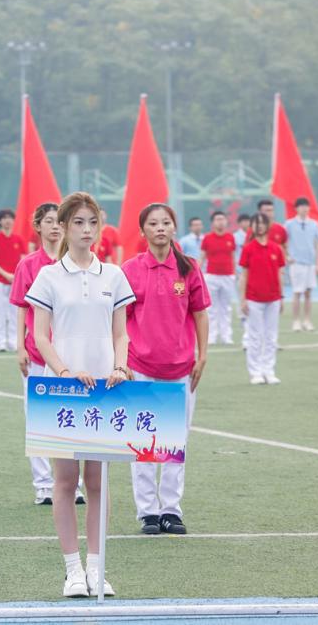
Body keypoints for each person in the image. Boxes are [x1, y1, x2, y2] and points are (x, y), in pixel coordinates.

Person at [26, 191, 135, 599]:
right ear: (63, 227)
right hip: (63, 389)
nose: (87, 230)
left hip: (107, 389)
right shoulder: (48, 277)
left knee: (98, 481)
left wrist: (120, 367)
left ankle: (97, 568)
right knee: (65, 481)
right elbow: (40, 335)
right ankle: (72, 570)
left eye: (92, 222)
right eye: (78, 222)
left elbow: (121, 333)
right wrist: (65, 372)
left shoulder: (114, 275)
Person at [122, 203, 209, 536]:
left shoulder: (189, 267)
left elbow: (200, 313)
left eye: (166, 223)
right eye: (153, 223)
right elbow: (119, 319)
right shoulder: (130, 269)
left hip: (181, 367)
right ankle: (148, 512)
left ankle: (171, 510)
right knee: (143, 440)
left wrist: (203, 355)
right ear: (142, 230)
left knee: (174, 443)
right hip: (140, 367)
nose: (160, 228)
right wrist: (121, 361)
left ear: (174, 227)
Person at [10, 202, 77, 506]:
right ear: (37, 226)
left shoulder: (74, 262)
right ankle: (43, 484)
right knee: (38, 417)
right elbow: (20, 308)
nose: (54, 227)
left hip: (70, 355)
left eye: (58, 221)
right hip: (38, 354)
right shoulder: (28, 265)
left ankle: (72, 484)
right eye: (48, 221)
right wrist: (20, 346)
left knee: (70, 416)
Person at [238, 213, 285, 385]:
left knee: (271, 337)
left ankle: (269, 371)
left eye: (262, 223)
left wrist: (281, 297)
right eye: (256, 223)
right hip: (253, 299)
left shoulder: (276, 248)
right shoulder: (248, 248)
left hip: (273, 298)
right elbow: (244, 275)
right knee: (255, 336)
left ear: (268, 225)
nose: (259, 226)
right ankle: (255, 372)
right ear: (252, 226)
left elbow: (280, 274)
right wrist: (243, 299)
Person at [0, 208, 28, 353]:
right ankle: (0, 342)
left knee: (14, 313)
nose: (7, 221)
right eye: (4, 218)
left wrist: (16, 275)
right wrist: (6, 274)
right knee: (0, 312)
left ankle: (13, 342)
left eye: (10, 218)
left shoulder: (19, 239)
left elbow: (23, 259)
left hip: (15, 281)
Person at [199, 212, 237, 346]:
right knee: (212, 308)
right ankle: (211, 336)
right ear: (213, 222)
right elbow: (202, 257)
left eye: (222, 219)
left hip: (227, 276)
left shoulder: (230, 237)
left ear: (226, 221)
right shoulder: (207, 238)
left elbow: (233, 257)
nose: (220, 222)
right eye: (217, 219)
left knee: (226, 308)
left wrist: (234, 274)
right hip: (212, 276)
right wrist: (197, 273)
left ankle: (226, 336)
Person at [284, 197, 318, 332]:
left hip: (310, 263)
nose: (304, 208)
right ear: (296, 208)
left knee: (308, 293)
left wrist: (317, 264)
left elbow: (317, 244)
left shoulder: (314, 224)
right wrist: (287, 256)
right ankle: (296, 321)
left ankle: (307, 320)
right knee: (297, 292)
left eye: (306, 206)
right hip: (297, 263)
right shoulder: (289, 224)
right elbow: (283, 242)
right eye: (301, 206)